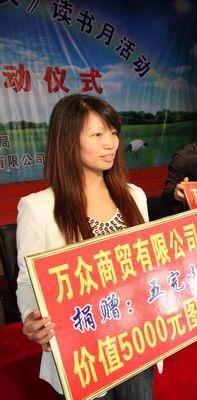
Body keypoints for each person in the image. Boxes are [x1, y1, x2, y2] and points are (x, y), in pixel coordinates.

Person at [16, 94, 154, 399]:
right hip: (82, 355)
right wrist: (31, 317)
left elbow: (149, 265)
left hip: (137, 342)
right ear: (68, 141)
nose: (110, 143)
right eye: (97, 134)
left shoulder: (134, 195)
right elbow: (28, 282)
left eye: (114, 133)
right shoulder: (38, 207)